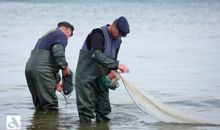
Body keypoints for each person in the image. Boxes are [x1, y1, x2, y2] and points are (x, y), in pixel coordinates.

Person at [75, 16, 130, 123]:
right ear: (114, 26)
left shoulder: (118, 40)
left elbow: (112, 60)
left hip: (102, 80)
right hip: (86, 80)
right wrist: (116, 65)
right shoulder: (98, 34)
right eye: (120, 33)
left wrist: (112, 74)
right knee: (86, 114)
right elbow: (96, 55)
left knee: (105, 112)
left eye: (123, 36)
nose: (120, 37)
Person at [25, 21, 74, 110]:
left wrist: (56, 81)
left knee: (39, 104)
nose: (68, 38)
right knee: (50, 105)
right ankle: (51, 123)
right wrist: (65, 67)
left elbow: (50, 61)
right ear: (67, 29)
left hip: (29, 68)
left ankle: (38, 123)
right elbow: (58, 53)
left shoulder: (47, 35)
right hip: (42, 70)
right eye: (70, 35)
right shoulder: (61, 35)